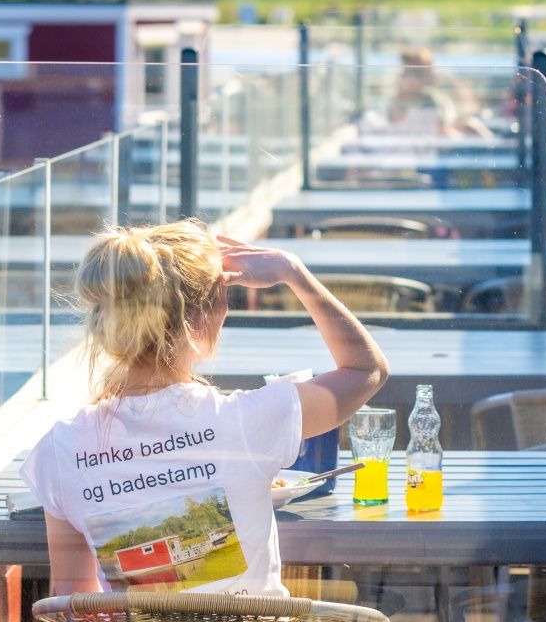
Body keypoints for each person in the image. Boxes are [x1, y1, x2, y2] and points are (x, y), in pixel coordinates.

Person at [22, 221, 387, 598]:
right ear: (197, 320)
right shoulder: (248, 421)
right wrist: (294, 273)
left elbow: (73, 603)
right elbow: (366, 370)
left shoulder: (60, 449)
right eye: (224, 301)